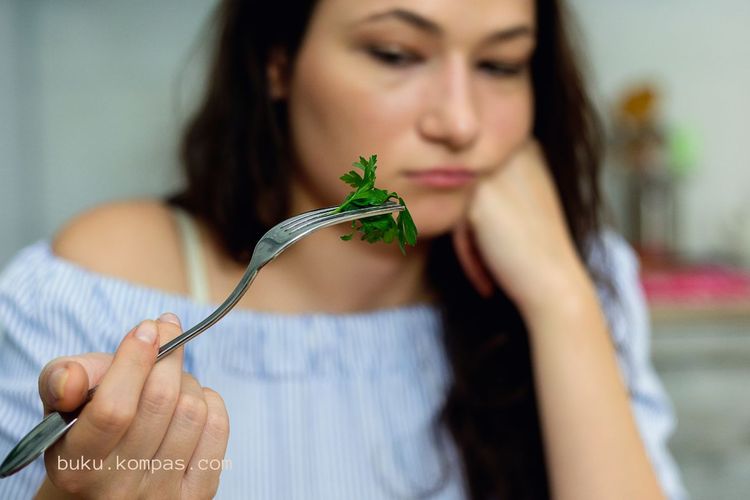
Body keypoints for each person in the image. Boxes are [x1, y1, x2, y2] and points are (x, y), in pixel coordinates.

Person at [0, 0, 687, 498]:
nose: (461, 122)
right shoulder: (92, 291)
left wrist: (560, 298)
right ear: (277, 63)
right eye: (395, 54)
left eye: (501, 64)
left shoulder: (579, 278)